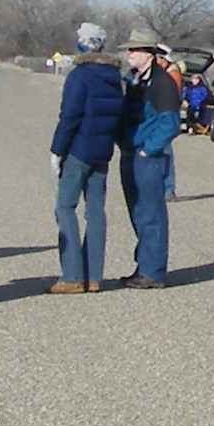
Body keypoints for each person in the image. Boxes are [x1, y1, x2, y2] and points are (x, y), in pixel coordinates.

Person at [49, 23, 127, 294]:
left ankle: (71, 275)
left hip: (78, 150)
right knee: (96, 212)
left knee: (65, 207)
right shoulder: (113, 76)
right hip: (102, 151)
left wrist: (57, 149)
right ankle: (94, 275)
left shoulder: (79, 76)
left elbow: (69, 116)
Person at [117, 29, 185, 288]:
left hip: (147, 158)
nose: (129, 53)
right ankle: (143, 266)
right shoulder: (133, 81)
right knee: (137, 213)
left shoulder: (163, 83)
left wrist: (148, 150)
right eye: (129, 49)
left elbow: (170, 124)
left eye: (135, 49)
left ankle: (154, 272)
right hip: (130, 153)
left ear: (149, 53)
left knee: (151, 214)